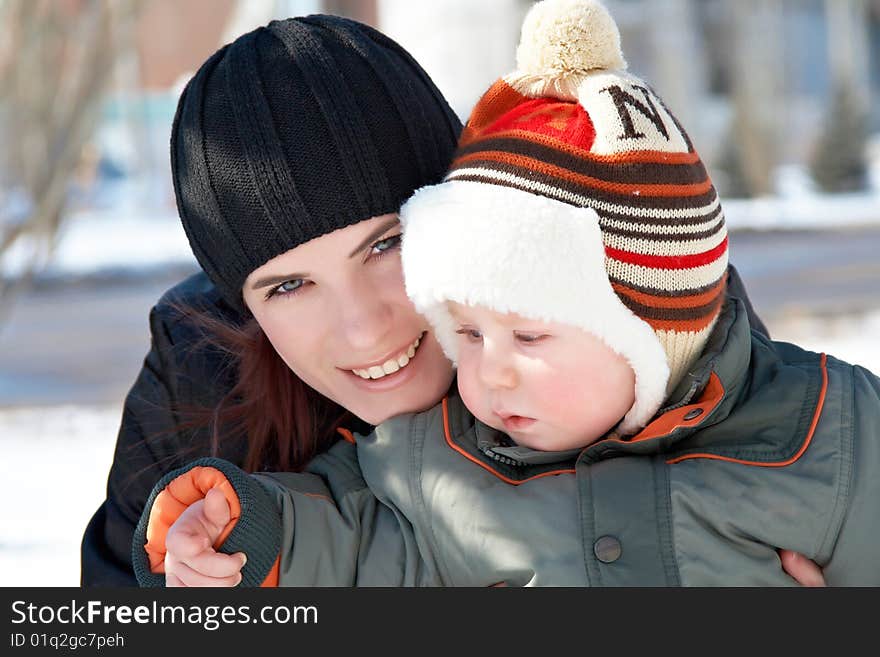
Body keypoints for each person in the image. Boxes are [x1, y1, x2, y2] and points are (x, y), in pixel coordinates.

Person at [128, 2, 849, 587]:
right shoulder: (200, 388)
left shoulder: (639, 311)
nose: (361, 328)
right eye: (288, 285)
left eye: (385, 244)